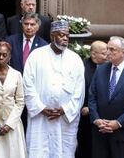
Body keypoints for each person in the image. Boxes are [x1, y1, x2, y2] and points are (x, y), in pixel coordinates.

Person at [23, 20, 85, 158]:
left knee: (64, 152)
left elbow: (79, 91)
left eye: (67, 36)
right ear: (52, 36)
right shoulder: (36, 56)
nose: (65, 39)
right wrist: (40, 108)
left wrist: (65, 110)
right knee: (39, 151)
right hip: (40, 118)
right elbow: (28, 85)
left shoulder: (75, 59)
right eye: (62, 35)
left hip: (64, 120)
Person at [0, 41, 27, 158]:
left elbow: (20, 101)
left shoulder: (16, 74)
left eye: (4, 55)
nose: (1, 57)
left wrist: (9, 124)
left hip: (12, 123)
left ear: (9, 56)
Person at [76, 40, 107, 158]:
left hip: (105, 115)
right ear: (94, 54)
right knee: (86, 148)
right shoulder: (82, 67)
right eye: (104, 53)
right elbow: (78, 91)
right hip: (85, 118)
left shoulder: (109, 67)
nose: (107, 55)